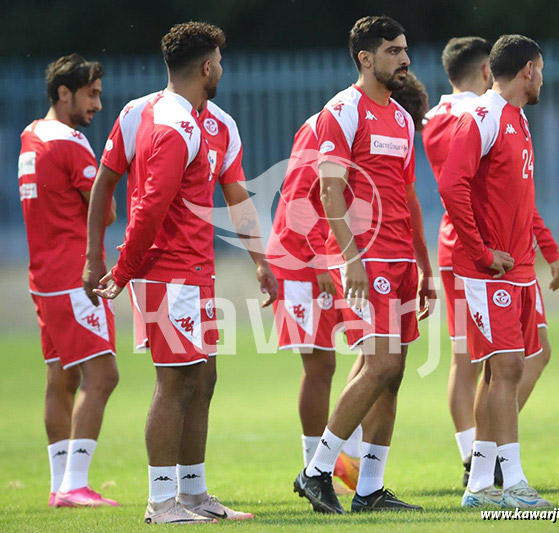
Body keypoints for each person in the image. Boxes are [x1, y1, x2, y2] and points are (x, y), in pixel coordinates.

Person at [91, 22, 276, 524]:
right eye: (220, 61)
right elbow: (141, 202)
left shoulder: (219, 123)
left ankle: (193, 495)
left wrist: (261, 259)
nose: (223, 68)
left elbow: (237, 199)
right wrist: (115, 264)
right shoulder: (161, 121)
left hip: (196, 273)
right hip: (165, 275)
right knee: (175, 383)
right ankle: (161, 502)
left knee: (203, 378)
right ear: (206, 67)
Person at [293, 15, 436, 514]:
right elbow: (328, 191)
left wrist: (424, 266)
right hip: (365, 255)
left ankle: (370, 488)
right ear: (365, 58)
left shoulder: (400, 117)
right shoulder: (342, 110)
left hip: (398, 259)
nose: (405, 59)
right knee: (380, 364)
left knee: (393, 374)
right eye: (394, 51)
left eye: (404, 50)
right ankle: (315, 472)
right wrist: (349, 258)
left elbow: (406, 195)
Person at [422, 37, 559, 487]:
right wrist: (482, 251)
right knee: (501, 369)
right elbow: (451, 187)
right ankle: (514, 482)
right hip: (488, 269)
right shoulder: (480, 117)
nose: (543, 77)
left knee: (510, 366)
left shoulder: (517, 119)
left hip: (518, 268)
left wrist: (545, 248)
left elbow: (520, 198)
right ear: (527, 70)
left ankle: (481, 483)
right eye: (540, 69)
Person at [18, 54, 119, 508]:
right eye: (91, 94)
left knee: (61, 378)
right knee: (103, 375)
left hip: (43, 277)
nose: (98, 103)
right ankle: (76, 484)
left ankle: (60, 484)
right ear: (64, 93)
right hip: (75, 277)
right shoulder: (70, 142)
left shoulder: (30, 137)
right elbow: (107, 210)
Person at [265, 115, 364, 494]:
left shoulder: (352, 120)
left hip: (326, 254)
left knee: (361, 353)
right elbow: (299, 195)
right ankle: (315, 467)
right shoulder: (326, 124)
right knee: (320, 364)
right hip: (300, 258)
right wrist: (318, 259)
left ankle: (339, 460)